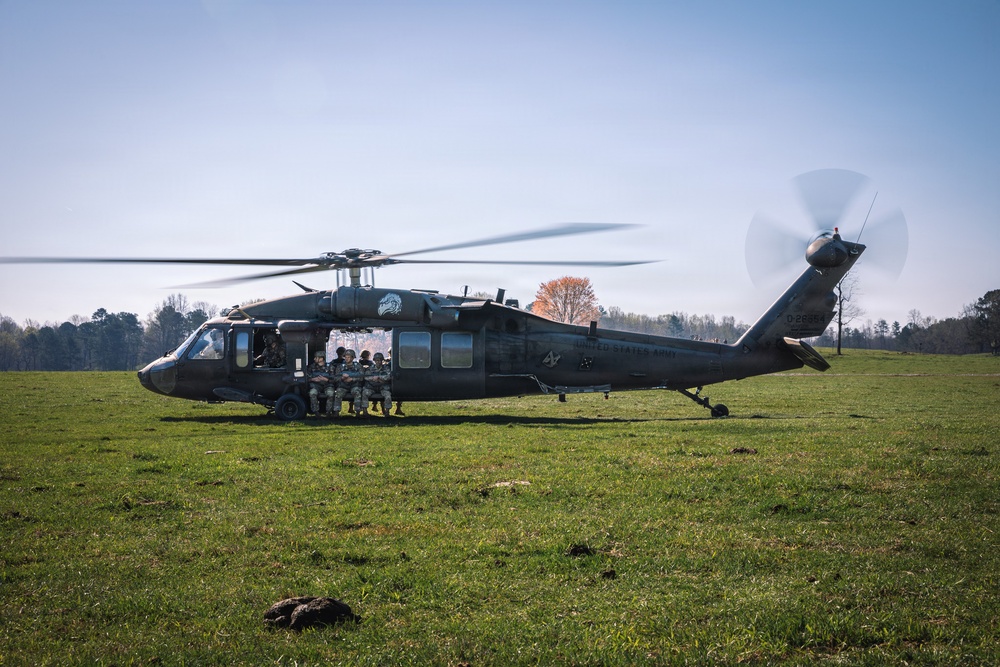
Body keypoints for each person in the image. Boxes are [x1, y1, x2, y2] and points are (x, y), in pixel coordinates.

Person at [332, 349, 364, 417]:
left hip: (354, 385)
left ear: (352, 358)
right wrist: (342, 378)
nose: (346, 358)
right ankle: (336, 412)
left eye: (348, 357)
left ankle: (358, 412)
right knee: (338, 393)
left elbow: (362, 377)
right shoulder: (340, 367)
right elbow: (335, 378)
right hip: (343, 386)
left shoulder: (358, 366)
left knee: (357, 392)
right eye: (345, 357)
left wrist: (352, 379)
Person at [362, 352, 392, 416]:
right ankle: (364, 411)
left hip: (382, 387)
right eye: (376, 360)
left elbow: (388, 376)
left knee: (388, 395)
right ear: (374, 361)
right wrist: (373, 378)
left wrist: (379, 377)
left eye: (379, 360)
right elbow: (366, 376)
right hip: (372, 387)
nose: (378, 362)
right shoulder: (370, 368)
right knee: (365, 393)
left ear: (382, 361)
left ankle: (387, 411)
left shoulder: (386, 368)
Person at [307, 351, 334, 416]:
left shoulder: (330, 367)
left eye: (316, 357)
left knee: (331, 394)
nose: (314, 359)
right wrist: (313, 379)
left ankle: (328, 412)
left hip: (327, 385)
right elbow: (306, 378)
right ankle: (316, 412)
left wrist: (326, 379)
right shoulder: (311, 367)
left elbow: (335, 379)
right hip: (316, 386)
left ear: (321, 358)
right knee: (312, 393)